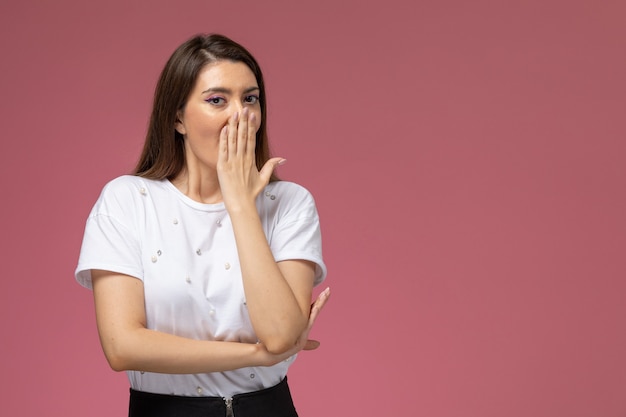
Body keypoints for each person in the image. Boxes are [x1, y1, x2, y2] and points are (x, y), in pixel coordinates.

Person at [75, 33, 329, 417]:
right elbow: (122, 346)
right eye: (216, 100)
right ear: (177, 118)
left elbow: (280, 333)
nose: (240, 115)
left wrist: (241, 203)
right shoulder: (126, 200)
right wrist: (256, 355)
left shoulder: (291, 204)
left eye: (250, 98)